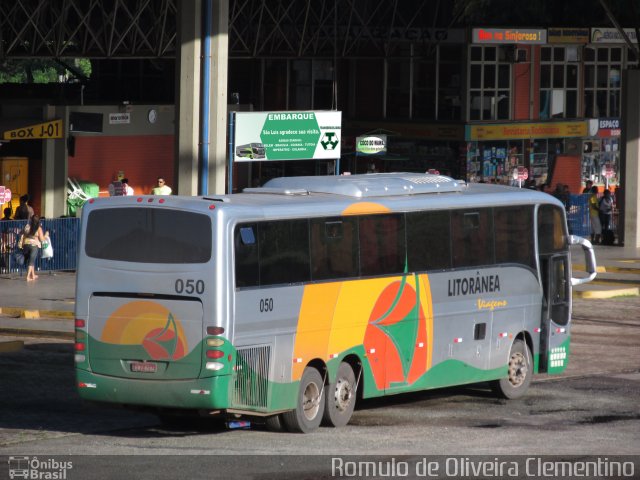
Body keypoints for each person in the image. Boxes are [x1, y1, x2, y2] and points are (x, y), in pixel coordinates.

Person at [21, 214, 48, 282]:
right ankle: (28, 277)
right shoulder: (38, 228)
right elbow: (42, 239)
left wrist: (22, 244)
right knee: (31, 261)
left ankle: (33, 275)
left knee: (31, 260)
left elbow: (23, 235)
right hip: (34, 245)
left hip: (26, 244)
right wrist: (46, 235)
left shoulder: (27, 226)